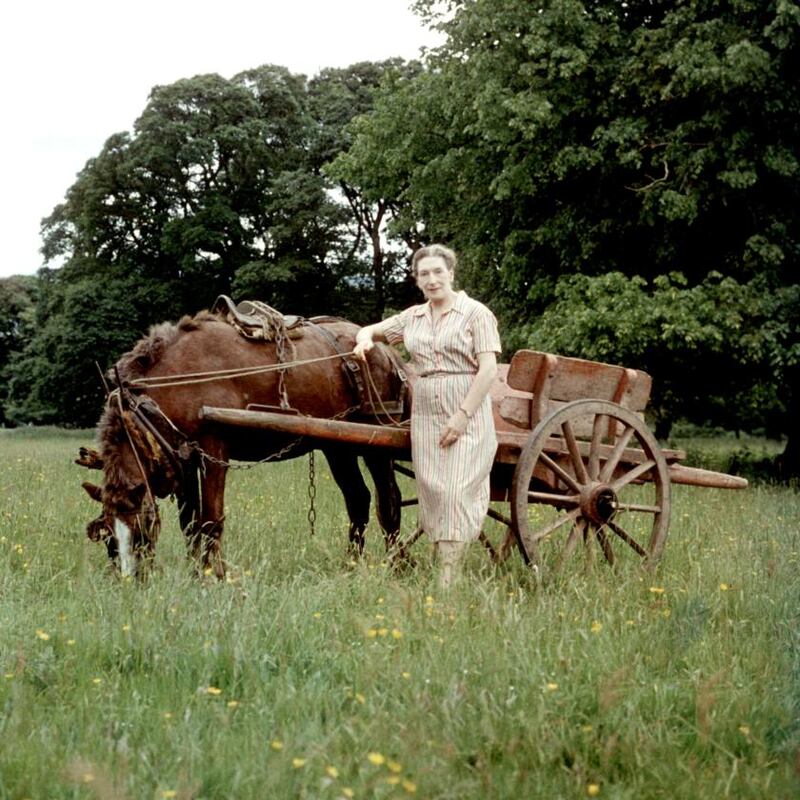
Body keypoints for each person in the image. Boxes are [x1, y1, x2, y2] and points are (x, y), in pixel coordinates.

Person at [353, 244, 500, 588]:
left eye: (438, 272)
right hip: (425, 412)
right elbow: (371, 330)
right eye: (424, 274)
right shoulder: (413, 317)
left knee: (455, 491)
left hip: (466, 408)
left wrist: (462, 417)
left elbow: (489, 369)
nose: (432, 280)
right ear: (416, 280)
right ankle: (445, 566)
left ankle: (447, 582)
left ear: (451, 273)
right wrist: (363, 341)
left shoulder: (475, 313)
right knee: (433, 490)